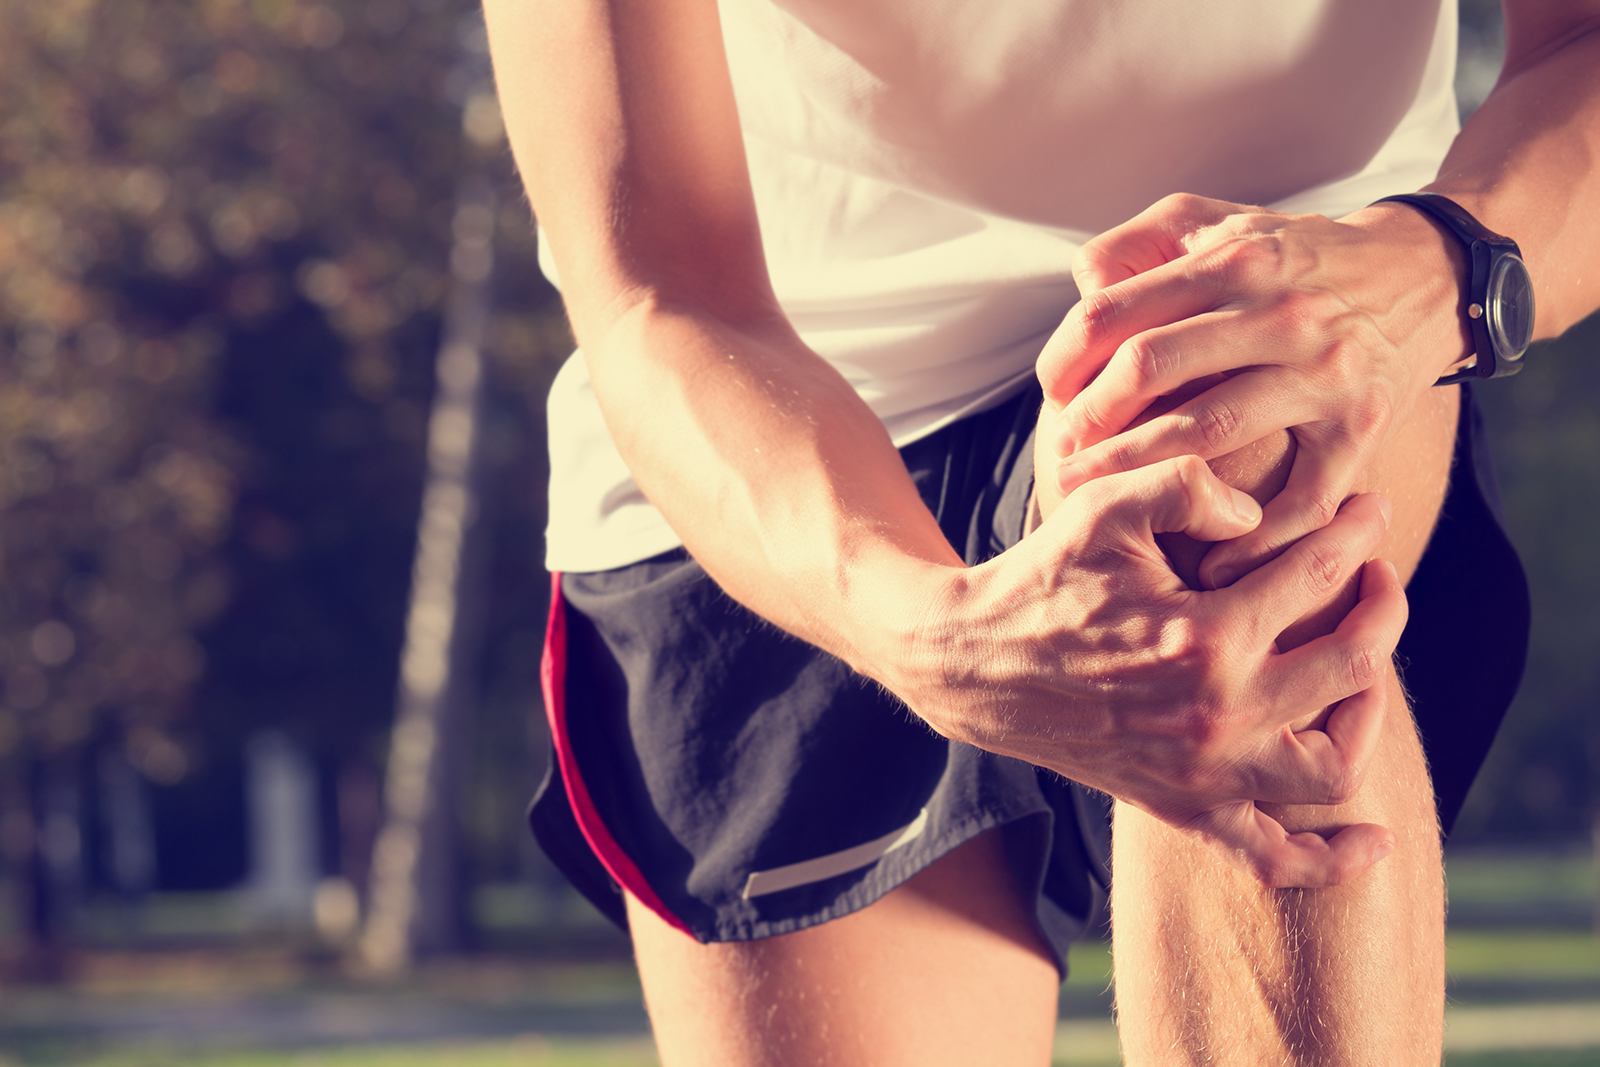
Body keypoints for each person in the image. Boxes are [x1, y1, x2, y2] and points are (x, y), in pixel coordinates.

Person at [484, 0, 1600, 1062]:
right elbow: (656, 290)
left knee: (1217, 449)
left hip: (1313, 302)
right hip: (791, 431)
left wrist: (1442, 264)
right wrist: (920, 632)